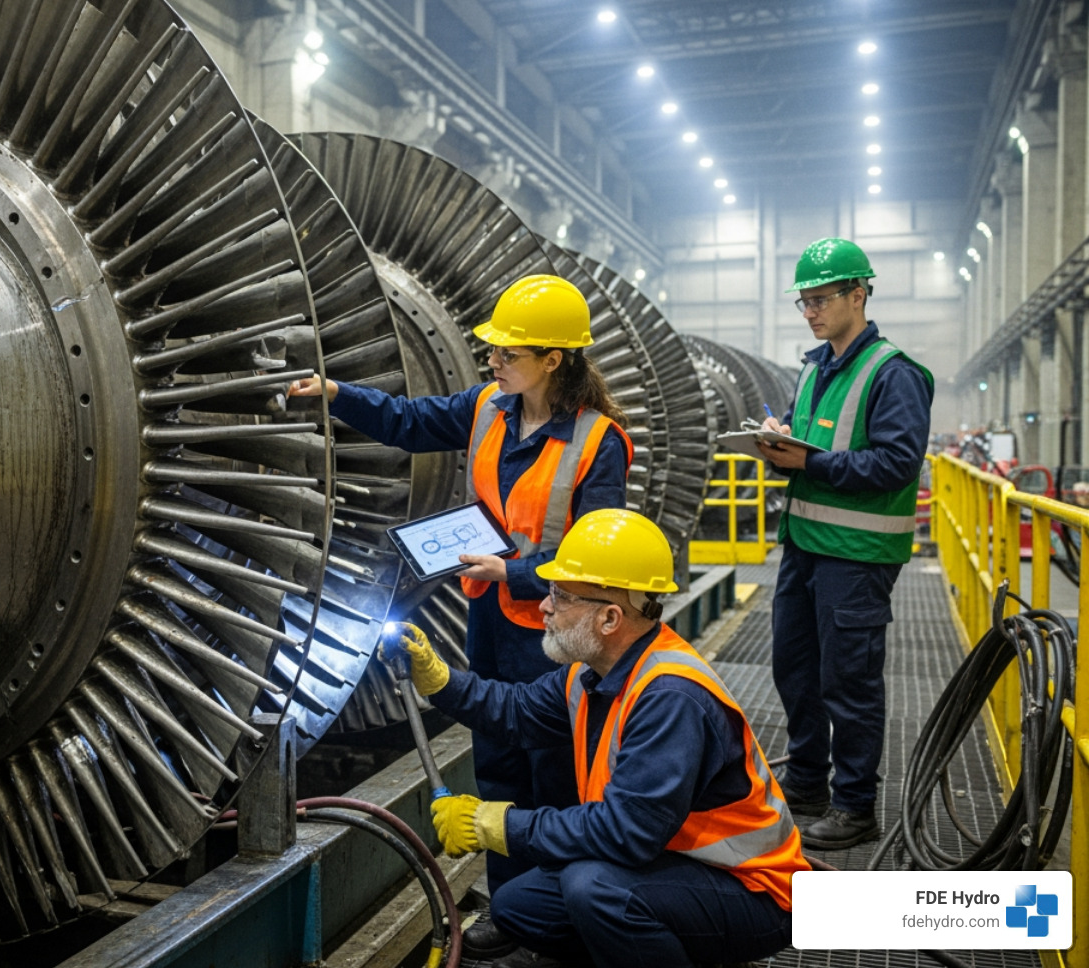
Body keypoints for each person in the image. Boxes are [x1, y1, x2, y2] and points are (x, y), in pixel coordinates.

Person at [290, 274, 632, 959]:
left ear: (553, 361)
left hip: (556, 629)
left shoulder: (600, 441)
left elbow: (597, 555)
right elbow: (408, 423)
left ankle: (557, 910)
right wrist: (335, 395)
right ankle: (513, 908)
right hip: (490, 619)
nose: (493, 362)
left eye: (507, 353)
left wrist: (514, 569)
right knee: (499, 761)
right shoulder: (488, 407)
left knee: (553, 774)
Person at [399, 509, 807, 968]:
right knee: (518, 905)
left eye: (560, 595)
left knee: (593, 888)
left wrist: (497, 825)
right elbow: (516, 711)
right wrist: (438, 679)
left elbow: (624, 833)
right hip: (672, 863)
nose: (544, 607)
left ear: (610, 618)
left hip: (752, 891)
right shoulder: (591, 672)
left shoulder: (670, 698)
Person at [756, 237, 933, 850]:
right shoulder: (813, 368)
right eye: (803, 301)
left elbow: (896, 464)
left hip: (856, 558)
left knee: (848, 682)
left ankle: (855, 804)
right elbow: (813, 455)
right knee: (795, 669)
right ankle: (806, 783)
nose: (809, 310)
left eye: (821, 298)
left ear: (858, 294)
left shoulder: (894, 373)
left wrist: (813, 461)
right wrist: (780, 447)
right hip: (804, 547)